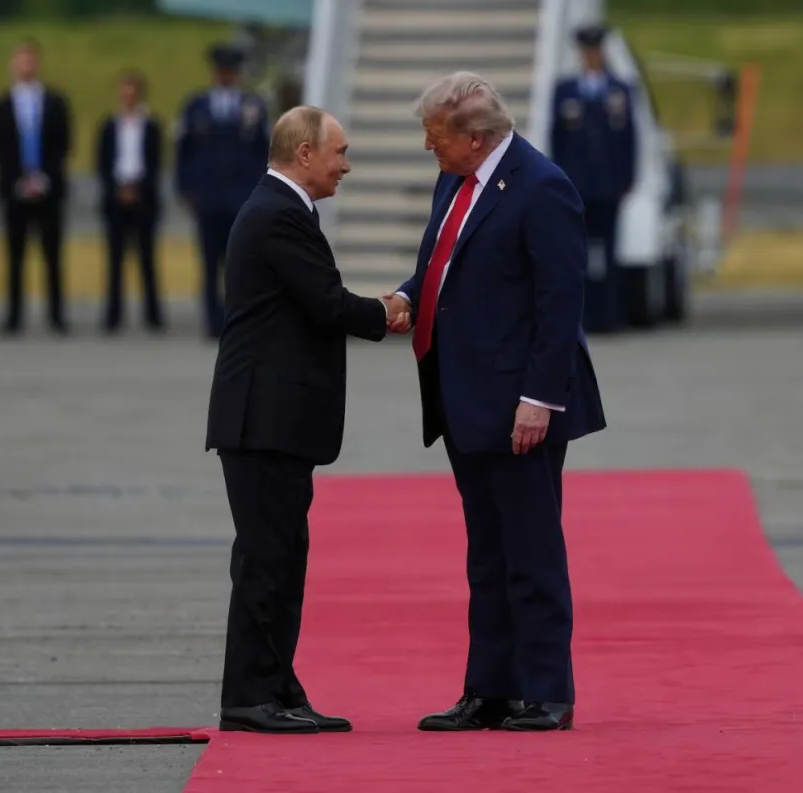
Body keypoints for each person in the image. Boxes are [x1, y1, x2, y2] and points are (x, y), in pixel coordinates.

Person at [383, 72, 606, 732]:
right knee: (486, 554)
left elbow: (559, 303)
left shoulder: (542, 188)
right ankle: (490, 688)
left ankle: (547, 691)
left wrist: (539, 399)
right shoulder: (456, 178)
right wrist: (407, 295)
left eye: (435, 136)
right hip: (463, 395)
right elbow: (443, 263)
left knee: (531, 551)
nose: (428, 147)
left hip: (519, 404)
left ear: (475, 138)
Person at [205, 105, 403, 734]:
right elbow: (326, 303)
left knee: (284, 557)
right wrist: (391, 310)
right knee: (266, 560)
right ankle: (249, 696)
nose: (346, 165)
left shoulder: (283, 209)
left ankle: (277, 687)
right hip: (262, 420)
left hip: (276, 421)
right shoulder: (278, 214)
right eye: (339, 152)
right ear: (305, 153)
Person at [175, 43, 270, 338]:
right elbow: (183, 151)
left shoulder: (253, 106)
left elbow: (264, 152)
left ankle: (238, 319)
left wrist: (261, 191)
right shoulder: (196, 106)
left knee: (240, 263)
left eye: (230, 70)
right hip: (209, 196)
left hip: (241, 197)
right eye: (221, 70)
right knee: (209, 262)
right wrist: (185, 188)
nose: (225, 75)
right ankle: (212, 321)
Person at [549, 24, 636, 333]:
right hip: (578, 185)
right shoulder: (566, 90)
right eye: (587, 51)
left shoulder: (619, 90)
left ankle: (609, 315)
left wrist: (627, 178)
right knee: (578, 253)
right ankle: (582, 316)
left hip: (609, 184)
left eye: (596, 51)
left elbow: (629, 140)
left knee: (609, 252)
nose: (592, 56)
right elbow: (558, 140)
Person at [0, 38, 72, 336]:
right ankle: (13, 316)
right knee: (15, 256)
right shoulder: (2, 105)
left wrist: (44, 178)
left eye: (31, 59)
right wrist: (19, 180)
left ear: (38, 63)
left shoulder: (55, 102)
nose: (26, 65)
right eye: (21, 60)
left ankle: (56, 315)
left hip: (48, 189)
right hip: (15, 190)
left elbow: (63, 144)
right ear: (13, 64)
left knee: (52, 256)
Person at [95, 69, 165, 334]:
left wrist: (138, 188)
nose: (128, 97)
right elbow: (102, 163)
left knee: (147, 259)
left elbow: (155, 163)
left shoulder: (151, 126)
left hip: (143, 197)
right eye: (124, 93)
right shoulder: (109, 126)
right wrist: (117, 188)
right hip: (116, 196)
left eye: (132, 93)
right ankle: (113, 316)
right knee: (115, 260)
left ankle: (153, 315)